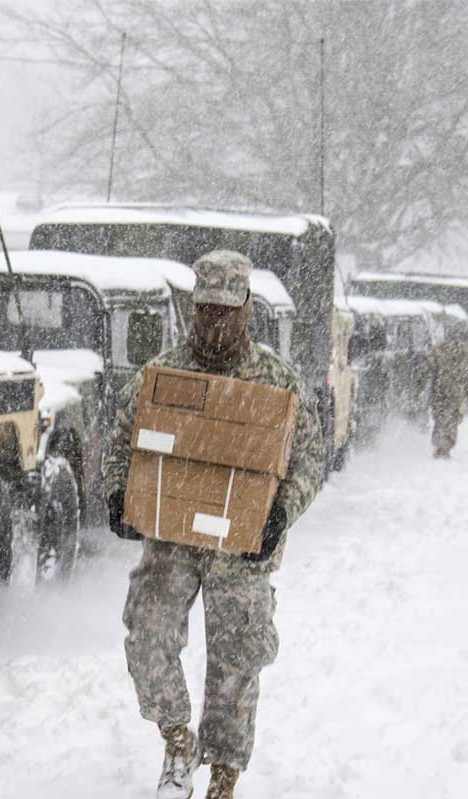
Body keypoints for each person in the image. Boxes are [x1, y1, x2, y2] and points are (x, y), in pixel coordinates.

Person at [103, 250, 325, 799]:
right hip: (172, 542)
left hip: (241, 549)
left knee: (237, 660)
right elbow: (121, 443)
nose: (216, 321)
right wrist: (117, 494)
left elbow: (309, 459)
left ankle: (224, 775)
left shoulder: (277, 381)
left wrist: (278, 515)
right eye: (207, 310)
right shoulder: (162, 375)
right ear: (193, 307)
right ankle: (178, 741)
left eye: (227, 311)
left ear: (247, 308)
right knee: (149, 635)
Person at [427, 325, 468, 458]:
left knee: (440, 418)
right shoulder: (466, 350)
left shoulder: (439, 348)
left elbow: (430, 365)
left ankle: (440, 446)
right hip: (456, 391)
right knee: (452, 419)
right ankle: (446, 446)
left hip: (441, 389)